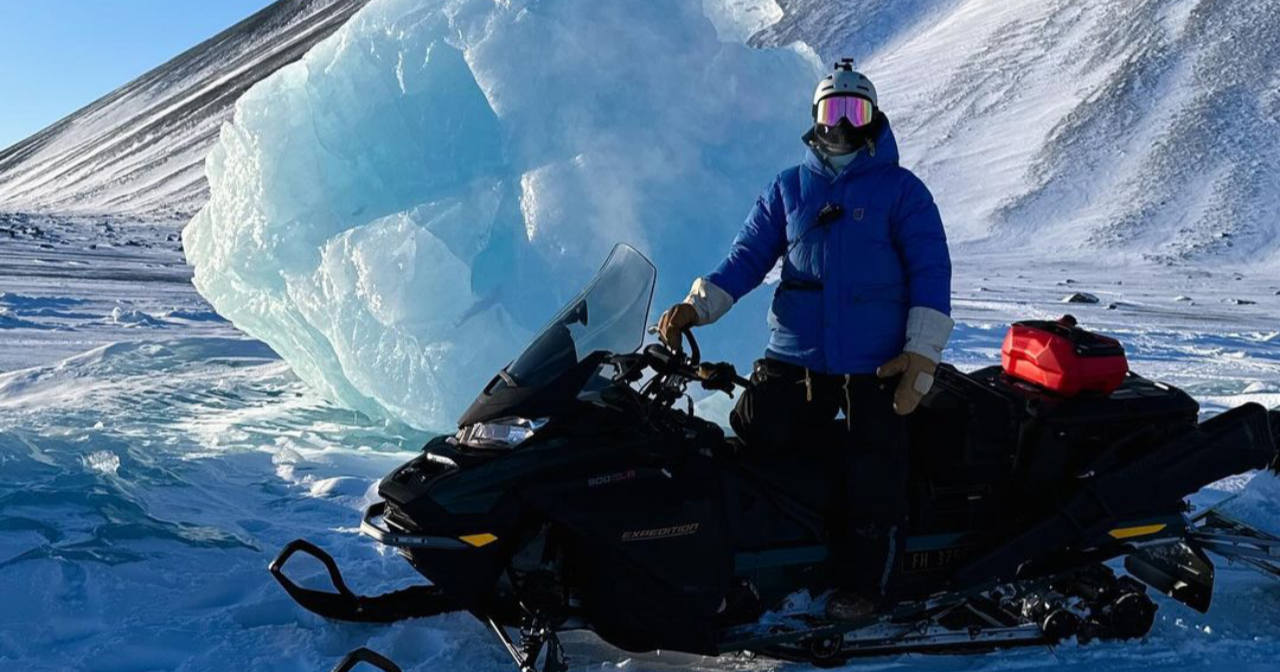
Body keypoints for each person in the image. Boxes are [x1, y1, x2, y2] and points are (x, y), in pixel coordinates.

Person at [657, 60, 953, 621]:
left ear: (872, 119)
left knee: (874, 476)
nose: (840, 123)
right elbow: (747, 257)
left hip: (875, 369)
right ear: (815, 118)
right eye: (830, 110)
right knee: (749, 447)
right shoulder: (789, 187)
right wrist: (697, 307)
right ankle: (756, 568)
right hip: (793, 361)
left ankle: (865, 588)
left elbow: (931, 274)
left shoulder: (902, 191)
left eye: (853, 110)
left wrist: (921, 355)